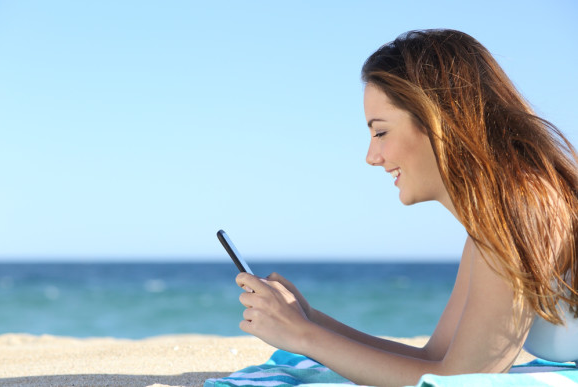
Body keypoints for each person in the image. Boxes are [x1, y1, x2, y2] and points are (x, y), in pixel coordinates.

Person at [235, 29, 578, 386]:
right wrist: (309, 321)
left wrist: (301, 337)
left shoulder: (523, 206)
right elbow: (435, 360)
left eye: (380, 132)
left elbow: (463, 379)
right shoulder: (493, 221)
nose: (372, 157)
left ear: (439, 121)